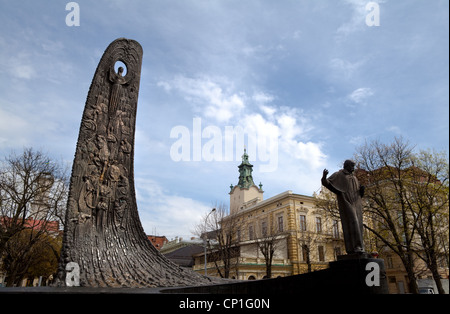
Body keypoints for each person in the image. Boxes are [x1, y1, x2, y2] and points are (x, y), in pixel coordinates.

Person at [321, 160, 365, 254]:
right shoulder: (339, 174)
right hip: (346, 201)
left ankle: (359, 247)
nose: (353, 168)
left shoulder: (354, 177)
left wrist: (362, 191)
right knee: (353, 222)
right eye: (352, 166)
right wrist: (324, 177)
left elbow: (359, 194)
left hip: (357, 203)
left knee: (359, 224)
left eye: (354, 166)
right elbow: (327, 183)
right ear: (346, 166)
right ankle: (355, 247)